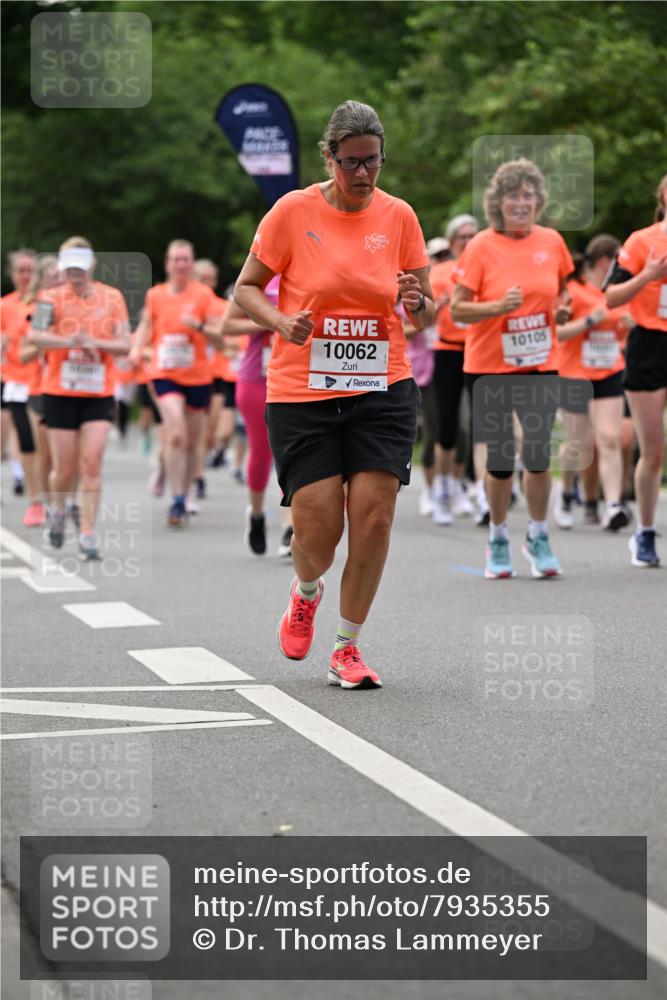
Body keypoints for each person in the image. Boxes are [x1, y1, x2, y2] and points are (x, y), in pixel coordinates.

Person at [234, 100, 433, 689]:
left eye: (372, 161)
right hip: (303, 391)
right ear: (329, 158)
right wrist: (279, 320)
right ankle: (306, 590)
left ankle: (347, 646)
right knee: (318, 530)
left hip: (383, 386)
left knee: (373, 518)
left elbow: (424, 315)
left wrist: (417, 303)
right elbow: (245, 290)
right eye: (351, 163)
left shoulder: (400, 217)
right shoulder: (291, 212)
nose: (364, 174)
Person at [451, 158, 573, 579]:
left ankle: (538, 535)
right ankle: (498, 537)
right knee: (502, 460)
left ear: (538, 201)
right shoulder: (482, 245)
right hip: (490, 367)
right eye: (512, 196)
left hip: (540, 362)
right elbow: (458, 310)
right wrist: (496, 307)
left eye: (528, 195)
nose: (521, 203)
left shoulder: (553, 242)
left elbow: (560, 293)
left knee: (538, 456)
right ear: (497, 203)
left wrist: (563, 307)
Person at [28, 237, 131, 558]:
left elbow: (126, 344)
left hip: (98, 392)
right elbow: (35, 336)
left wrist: (95, 344)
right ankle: (58, 510)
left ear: (92, 267)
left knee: (91, 463)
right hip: (60, 391)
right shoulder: (49, 298)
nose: (76, 275)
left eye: (81, 269)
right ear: (62, 268)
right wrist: (69, 340)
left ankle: (87, 532)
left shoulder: (112, 297)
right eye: (70, 269)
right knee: (65, 468)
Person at [129, 240, 223, 527]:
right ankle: (178, 500)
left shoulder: (204, 296)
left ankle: (180, 486)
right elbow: (146, 325)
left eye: (186, 260)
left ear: (191, 264)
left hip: (197, 376)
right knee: (177, 433)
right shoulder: (155, 295)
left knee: (193, 440)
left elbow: (219, 338)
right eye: (176, 260)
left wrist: (198, 327)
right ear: (167, 264)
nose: (181, 264)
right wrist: (136, 348)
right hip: (164, 373)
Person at [606, 174, 667, 567]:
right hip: (650, 344)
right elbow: (610, 296)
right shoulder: (642, 240)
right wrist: (648, 276)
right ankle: (644, 532)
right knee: (654, 450)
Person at [554, 238, 634, 531]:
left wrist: (626, 326)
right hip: (574, 374)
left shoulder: (616, 293)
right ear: (605, 261)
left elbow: (616, 334)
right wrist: (589, 321)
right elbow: (558, 334)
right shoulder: (573, 290)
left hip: (610, 372)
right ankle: (564, 494)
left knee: (610, 438)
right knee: (577, 443)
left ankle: (613, 505)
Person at [221, 276, 294, 557]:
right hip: (256, 378)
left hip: (295, 378)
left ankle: (290, 528)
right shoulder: (259, 277)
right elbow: (227, 325)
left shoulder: (311, 270)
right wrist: (272, 322)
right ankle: (257, 514)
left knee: (291, 453)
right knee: (261, 453)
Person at [429, 214, 480, 524]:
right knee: (447, 426)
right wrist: (442, 304)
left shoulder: (487, 266)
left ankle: (464, 487)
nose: (469, 242)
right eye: (463, 237)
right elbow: (422, 319)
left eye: (474, 235)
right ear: (451, 242)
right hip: (447, 351)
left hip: (479, 351)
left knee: (474, 426)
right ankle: (441, 490)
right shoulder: (439, 273)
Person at [1, 249, 45, 525]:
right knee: (25, 441)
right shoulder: (4, 305)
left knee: (43, 445)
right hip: (14, 380)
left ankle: (52, 498)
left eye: (30, 270)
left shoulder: (45, 304)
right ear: (12, 274)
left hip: (43, 382)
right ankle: (35, 500)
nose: (26, 276)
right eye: (21, 270)